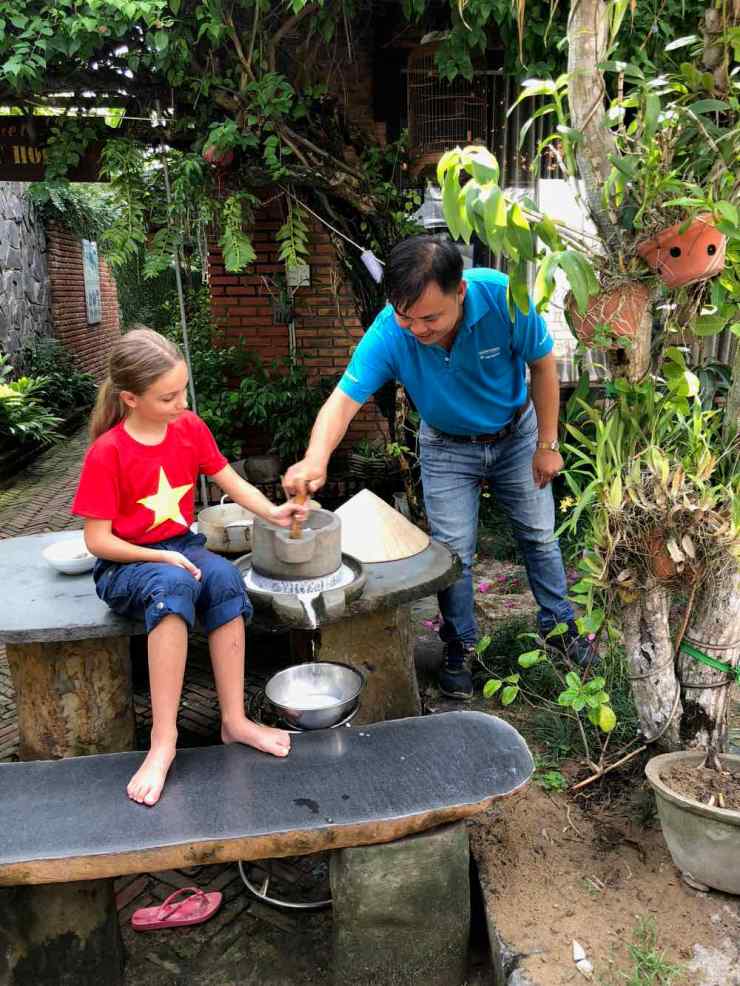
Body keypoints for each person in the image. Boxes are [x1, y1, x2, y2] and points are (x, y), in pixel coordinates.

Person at [284, 236, 595, 700]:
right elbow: (343, 401)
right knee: (454, 554)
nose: (417, 330)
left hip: (515, 436)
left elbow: (543, 367)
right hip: (447, 447)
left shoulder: (504, 297)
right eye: (406, 316)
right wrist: (315, 457)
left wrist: (548, 443)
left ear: (461, 292)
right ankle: (460, 645)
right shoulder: (392, 330)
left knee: (538, 535)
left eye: (430, 317)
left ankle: (560, 628)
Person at [72, 327, 308, 806]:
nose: (182, 403)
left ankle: (235, 720)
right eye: (168, 397)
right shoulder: (108, 451)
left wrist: (274, 512)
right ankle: (164, 740)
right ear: (130, 399)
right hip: (126, 563)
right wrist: (161, 555)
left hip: (181, 547)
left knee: (223, 578)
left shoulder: (189, 428)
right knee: (173, 584)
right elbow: (97, 540)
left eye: (182, 390)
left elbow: (231, 482)